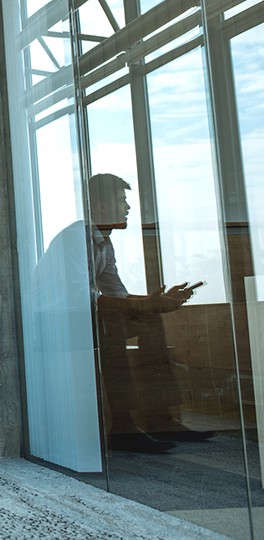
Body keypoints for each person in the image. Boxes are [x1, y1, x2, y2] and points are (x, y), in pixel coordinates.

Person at [40, 173, 211, 453]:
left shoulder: (104, 243)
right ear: (100, 205)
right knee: (113, 321)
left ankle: (160, 419)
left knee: (148, 318)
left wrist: (158, 301)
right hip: (50, 323)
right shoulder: (73, 239)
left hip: (79, 317)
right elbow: (84, 300)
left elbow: (117, 295)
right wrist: (147, 304)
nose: (128, 207)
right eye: (121, 200)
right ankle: (122, 426)